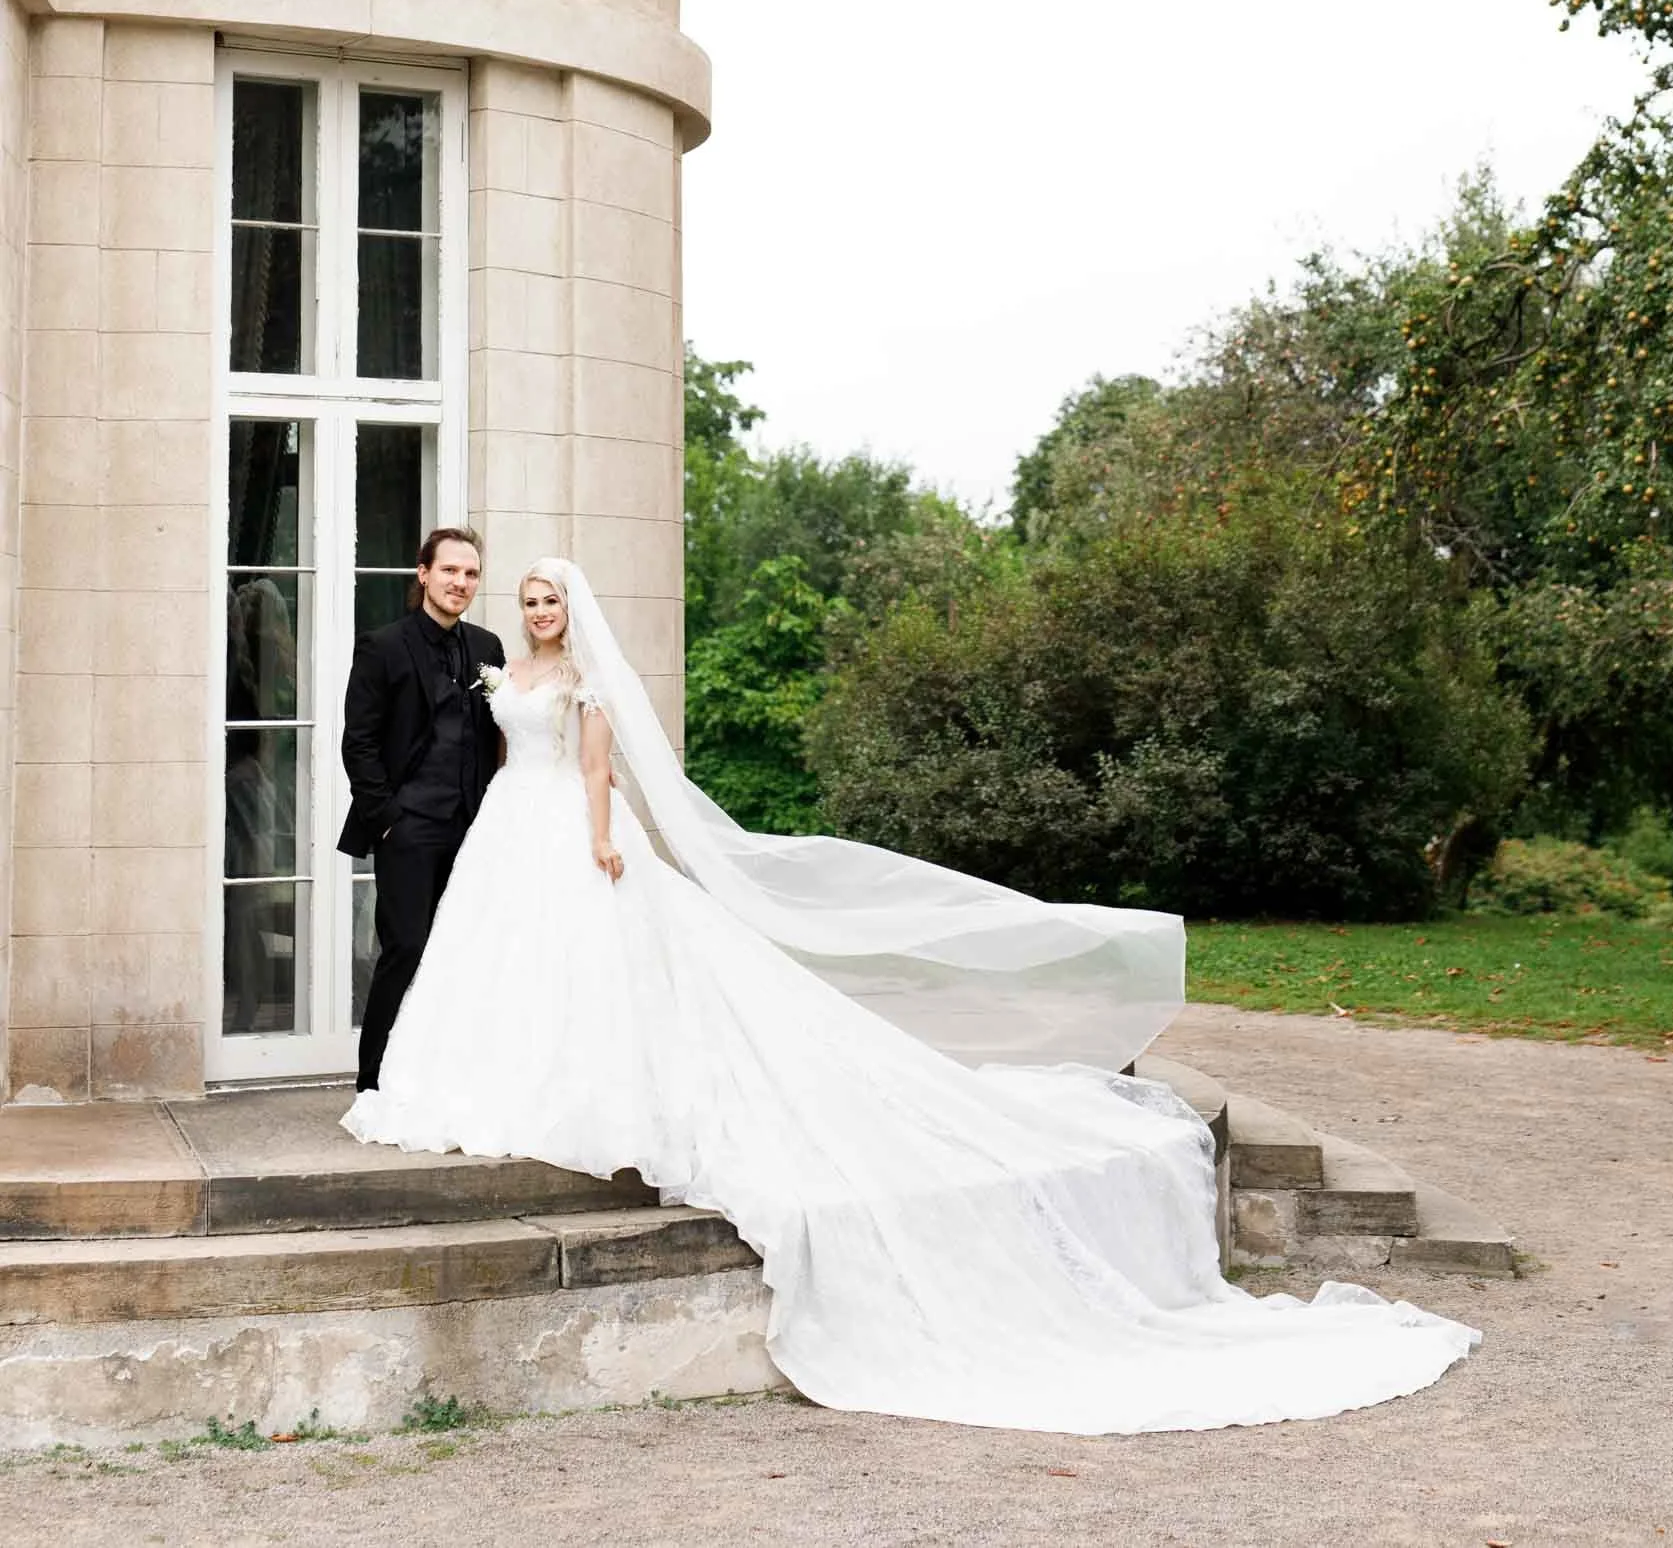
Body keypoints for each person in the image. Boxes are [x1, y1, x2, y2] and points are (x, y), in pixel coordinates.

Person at [343, 557, 1478, 1434]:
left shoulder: (580, 678)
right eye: (525, 594)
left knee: (589, 971)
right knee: (499, 972)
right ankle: (473, 1077)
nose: (535, 609)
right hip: (504, 835)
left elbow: (596, 771)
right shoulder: (498, 666)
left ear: (566, 606)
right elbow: (493, 755)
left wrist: (599, 844)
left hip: (567, 837)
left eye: (547, 595)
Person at [337, 526, 505, 1092]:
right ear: (424, 574)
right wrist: (386, 818)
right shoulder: (383, 646)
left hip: (473, 830)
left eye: (471, 573)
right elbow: (357, 742)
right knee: (405, 947)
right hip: (408, 827)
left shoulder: (488, 650)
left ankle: (440, 1076)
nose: (461, 582)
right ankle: (371, 1081)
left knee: (461, 951)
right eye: (451, 570)